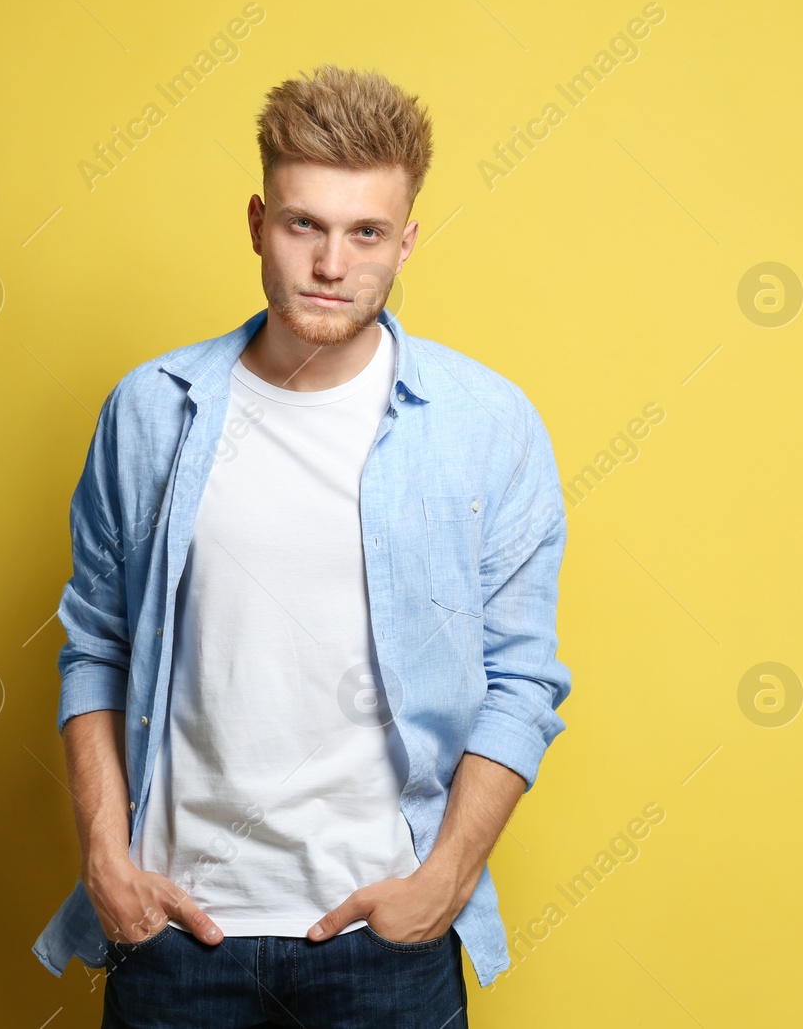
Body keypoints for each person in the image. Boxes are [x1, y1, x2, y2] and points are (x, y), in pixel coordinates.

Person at [30, 63, 573, 1029]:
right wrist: (108, 861)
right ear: (256, 223)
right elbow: (95, 649)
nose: (332, 264)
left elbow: (521, 679)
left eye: (366, 232)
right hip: (176, 934)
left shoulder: (488, 426)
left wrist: (442, 881)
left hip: (385, 938)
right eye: (303, 225)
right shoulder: (152, 412)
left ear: (407, 241)